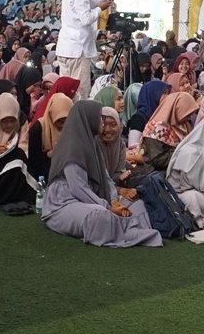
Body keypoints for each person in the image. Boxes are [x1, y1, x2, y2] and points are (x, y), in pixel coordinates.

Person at [43, 100, 160, 247]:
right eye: (99, 118)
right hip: (64, 203)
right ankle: (120, 227)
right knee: (100, 216)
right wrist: (108, 207)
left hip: (89, 197)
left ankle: (122, 225)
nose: (103, 123)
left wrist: (113, 200)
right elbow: (78, 188)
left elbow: (105, 178)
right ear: (88, 119)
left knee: (138, 205)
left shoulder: (91, 144)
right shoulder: (72, 147)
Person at [54, 0, 116, 100]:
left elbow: (89, 3)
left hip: (66, 49)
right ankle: (79, 114)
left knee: (65, 92)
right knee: (80, 92)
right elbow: (86, 19)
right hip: (78, 51)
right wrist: (100, 9)